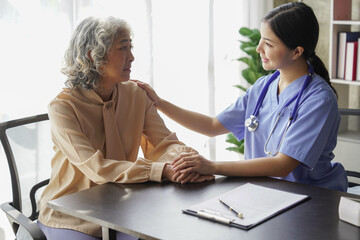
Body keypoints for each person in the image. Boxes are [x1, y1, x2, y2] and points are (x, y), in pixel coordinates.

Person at [136, 2, 348, 192]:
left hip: (312, 198)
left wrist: (211, 166)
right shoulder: (264, 87)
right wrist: (160, 103)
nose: (258, 49)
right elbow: (212, 125)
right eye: (261, 40)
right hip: (264, 191)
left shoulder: (319, 100)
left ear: (296, 52)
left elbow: (283, 165)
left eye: (269, 44)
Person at [37, 16, 214, 240]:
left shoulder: (136, 94)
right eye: (123, 48)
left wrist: (185, 161)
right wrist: (161, 171)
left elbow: (163, 144)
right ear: (94, 57)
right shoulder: (63, 107)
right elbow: (96, 168)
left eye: (131, 47)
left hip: (122, 207)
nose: (132, 57)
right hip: (71, 215)